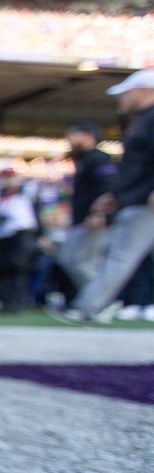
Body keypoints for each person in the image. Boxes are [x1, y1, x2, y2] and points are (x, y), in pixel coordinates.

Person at [62, 69, 154, 323]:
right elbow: (135, 167)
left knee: (120, 257)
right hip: (136, 200)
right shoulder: (143, 121)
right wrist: (115, 195)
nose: (121, 99)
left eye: (126, 93)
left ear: (144, 91)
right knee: (119, 256)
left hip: (144, 203)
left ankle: (89, 308)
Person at [56, 121, 116, 296]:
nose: (69, 140)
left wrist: (99, 215)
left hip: (93, 220)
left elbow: (107, 187)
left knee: (80, 261)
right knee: (73, 259)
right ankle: (97, 300)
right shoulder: (84, 160)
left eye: (72, 135)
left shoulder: (98, 159)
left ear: (88, 136)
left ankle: (102, 301)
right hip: (83, 219)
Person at [0, 175, 40, 313]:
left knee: (17, 269)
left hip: (19, 236)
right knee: (2, 269)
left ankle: (15, 302)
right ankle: (4, 301)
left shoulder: (22, 198)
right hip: (3, 237)